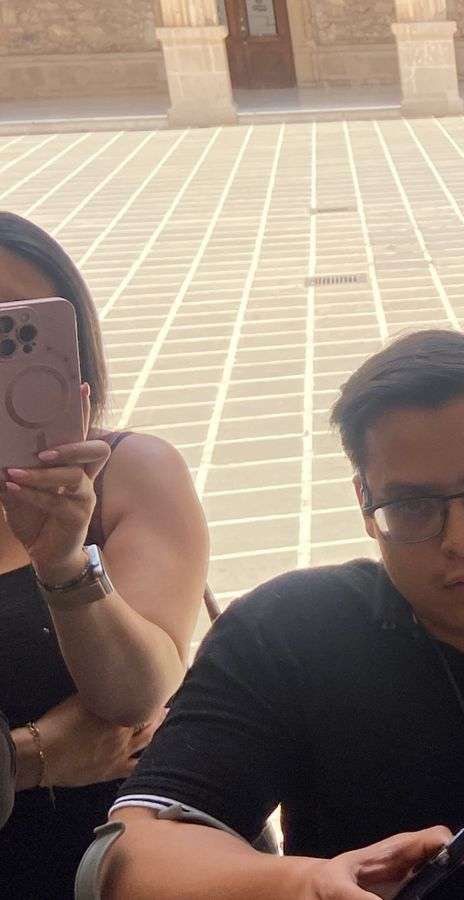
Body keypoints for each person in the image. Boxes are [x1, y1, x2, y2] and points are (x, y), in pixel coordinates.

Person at [93, 331, 464, 900]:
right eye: (413, 506)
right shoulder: (292, 634)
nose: (463, 540)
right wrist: (307, 885)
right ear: (366, 505)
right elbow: (130, 856)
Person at [0, 213, 209, 897]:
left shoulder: (130, 473)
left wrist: (64, 562)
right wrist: (31, 757)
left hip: (134, 872)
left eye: (15, 328)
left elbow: (136, 695)